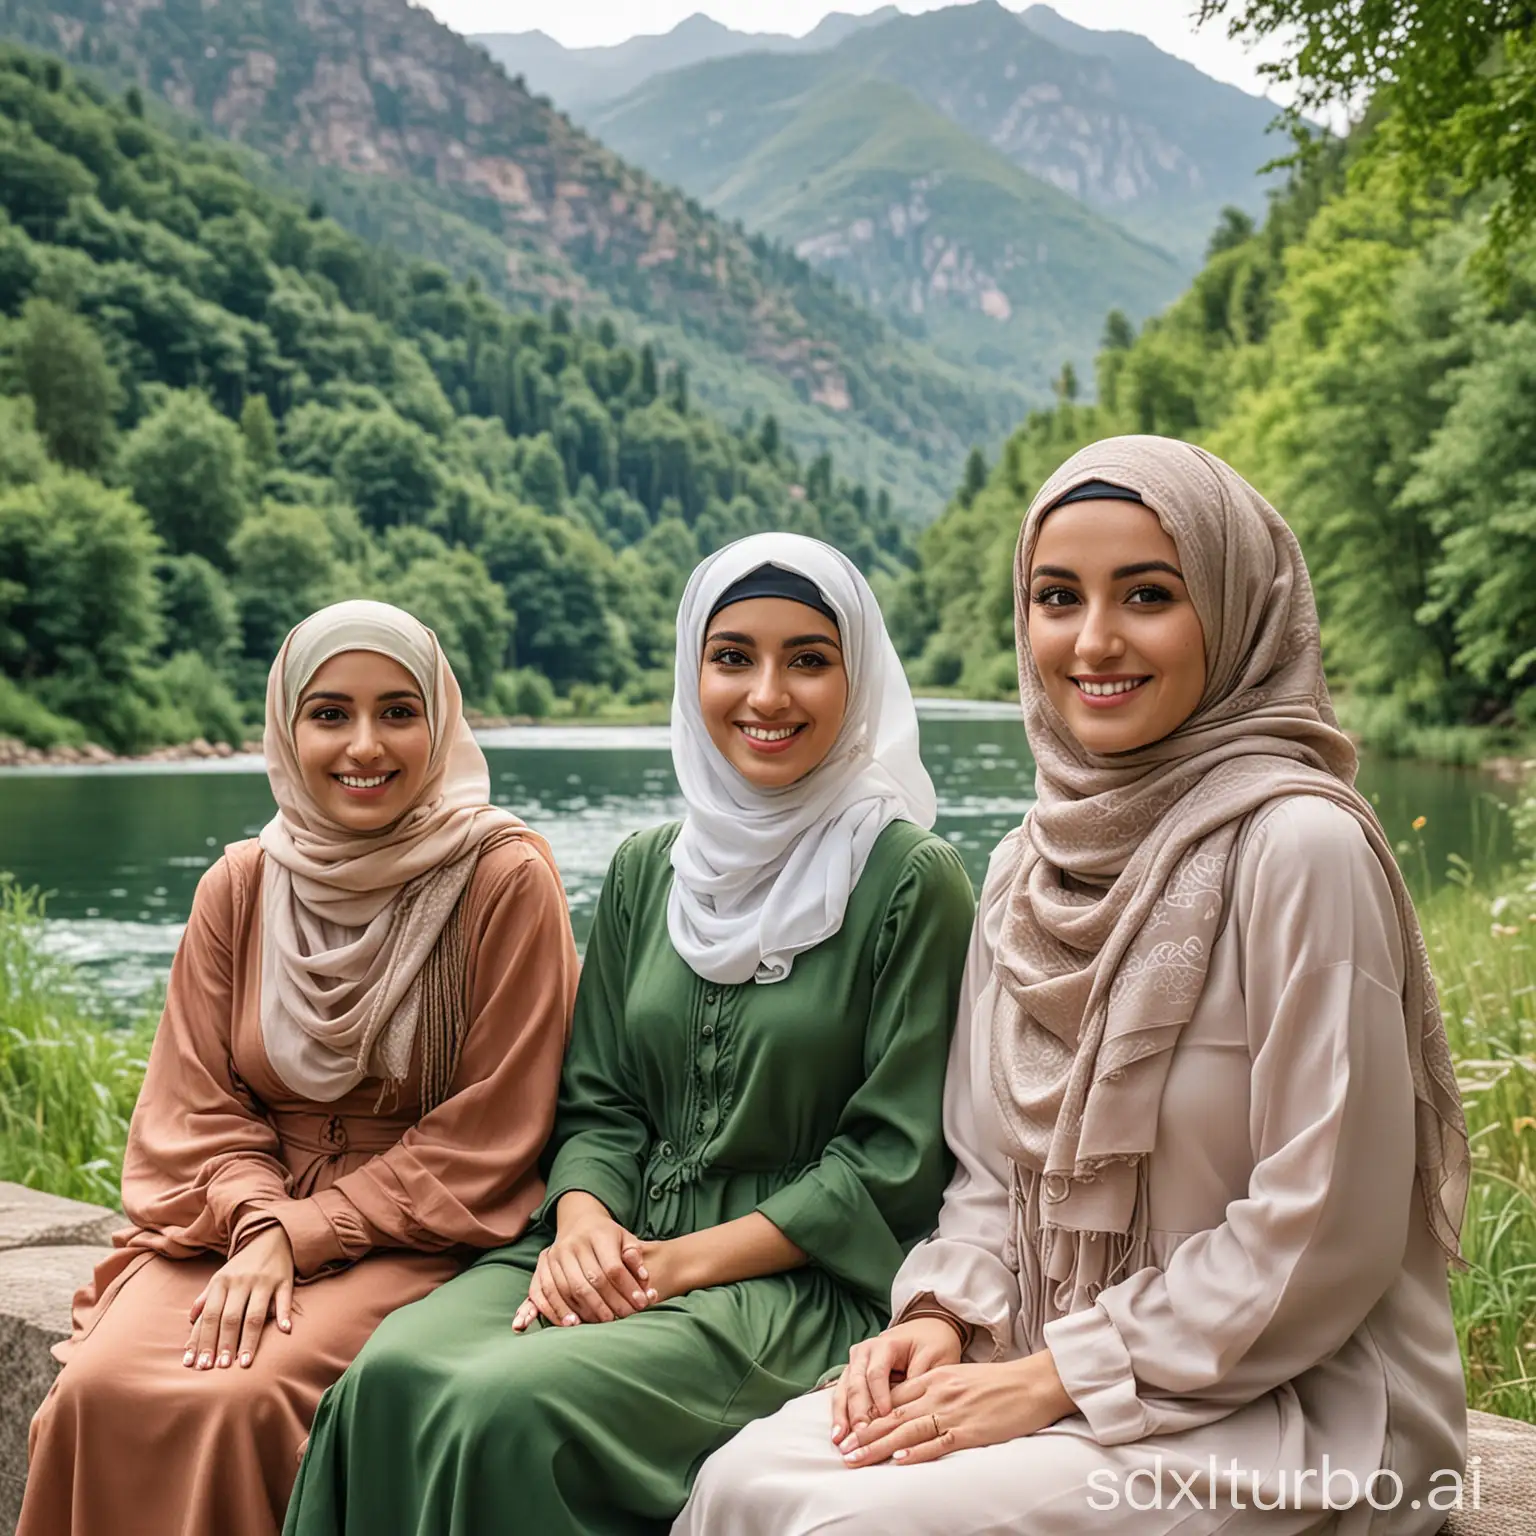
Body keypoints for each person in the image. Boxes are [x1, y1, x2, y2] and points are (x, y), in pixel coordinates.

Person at [677, 436, 1471, 1536]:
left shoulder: (1300, 848)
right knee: (742, 1482)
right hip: (1056, 1356)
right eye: (1058, 596)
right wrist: (946, 1317)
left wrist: (1054, 1379)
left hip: (1301, 1410)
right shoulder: (1025, 867)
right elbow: (992, 1173)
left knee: (855, 1529)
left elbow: (1322, 1232)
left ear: (1237, 609)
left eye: (1147, 594)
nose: (1093, 640)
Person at [282, 533, 977, 1536]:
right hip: (607, 1245)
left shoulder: (911, 878)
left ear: (857, 677)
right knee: (387, 1373)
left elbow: (890, 1161)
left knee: (506, 1414)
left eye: (808, 659)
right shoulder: (655, 866)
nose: (767, 694)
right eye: (733, 656)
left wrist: (675, 1265)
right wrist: (583, 1227)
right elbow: (598, 1101)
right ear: (693, 667)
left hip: (791, 1284)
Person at [20, 600, 578, 1536]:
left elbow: (497, 1122)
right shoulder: (241, 885)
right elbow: (195, 1106)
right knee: (101, 1390)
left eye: (399, 711)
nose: (366, 745)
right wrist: (260, 1222)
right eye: (330, 714)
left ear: (439, 721)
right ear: (287, 727)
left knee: (244, 1398)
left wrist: (305, 1232)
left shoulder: (502, 877)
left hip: (424, 1226)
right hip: (238, 1217)